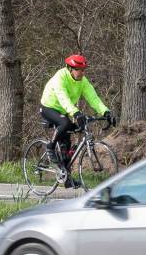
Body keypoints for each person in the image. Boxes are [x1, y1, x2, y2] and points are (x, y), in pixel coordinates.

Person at [39, 54, 115, 188]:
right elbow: (63, 98)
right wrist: (75, 113)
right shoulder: (60, 77)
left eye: (83, 70)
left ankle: (66, 178)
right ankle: (50, 147)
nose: (82, 73)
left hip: (63, 111)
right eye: (79, 69)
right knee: (65, 123)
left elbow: (93, 98)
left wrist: (105, 112)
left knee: (68, 141)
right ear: (69, 69)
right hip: (48, 107)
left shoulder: (83, 81)